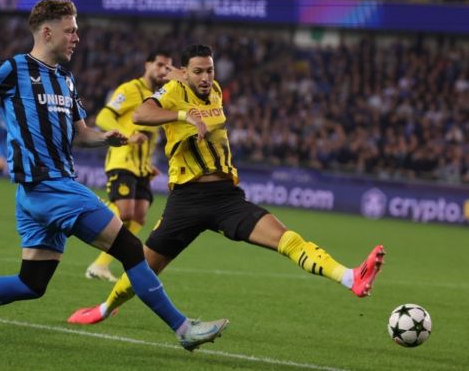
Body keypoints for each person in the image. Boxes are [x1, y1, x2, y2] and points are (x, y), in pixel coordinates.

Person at [0, 0, 228, 351]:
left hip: (38, 195)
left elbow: (82, 133)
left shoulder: (66, 79)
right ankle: (183, 328)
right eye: (71, 30)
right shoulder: (14, 68)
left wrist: (104, 138)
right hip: (50, 186)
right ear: (47, 32)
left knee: (31, 283)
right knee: (130, 248)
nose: (77, 37)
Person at [67, 44, 386, 326]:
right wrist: (182, 114)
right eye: (198, 71)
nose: (206, 77)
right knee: (146, 267)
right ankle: (105, 308)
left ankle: (350, 277)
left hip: (226, 197)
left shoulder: (215, 90)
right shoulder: (175, 92)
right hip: (187, 200)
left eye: (210, 70)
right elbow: (140, 113)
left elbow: (209, 112)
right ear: (187, 74)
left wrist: (189, 101)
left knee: (287, 238)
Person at [85, 49, 173, 282]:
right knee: (123, 211)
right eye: (160, 65)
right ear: (147, 64)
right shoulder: (130, 89)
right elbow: (104, 117)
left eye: (168, 67)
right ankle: (92, 208)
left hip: (141, 167)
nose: (163, 70)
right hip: (122, 160)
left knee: (139, 216)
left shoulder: (159, 99)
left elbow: (148, 137)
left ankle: (100, 265)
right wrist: (125, 135)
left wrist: (148, 164)